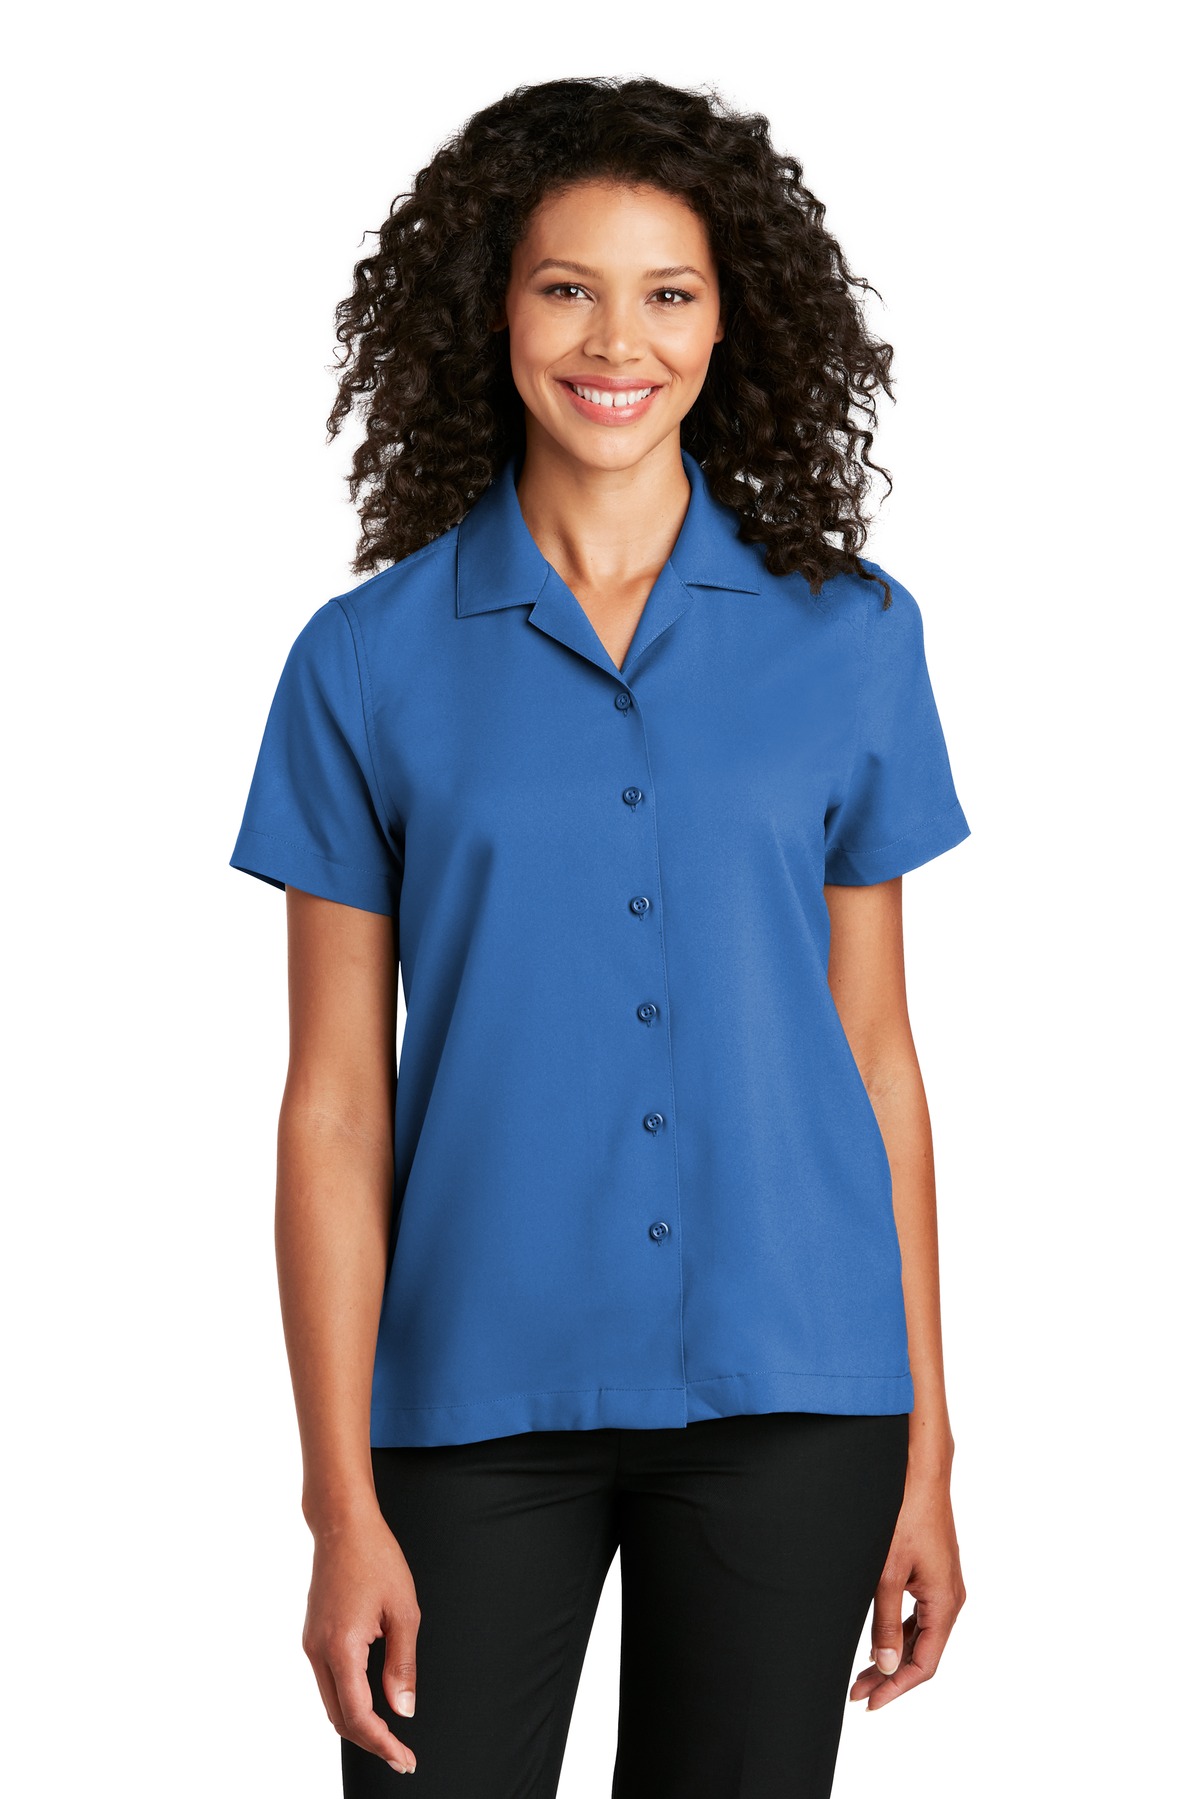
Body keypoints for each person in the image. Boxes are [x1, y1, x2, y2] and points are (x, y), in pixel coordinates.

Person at [229, 74, 970, 1798]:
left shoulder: (853, 637)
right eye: (566, 287)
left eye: (669, 292)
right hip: (469, 1402)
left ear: (730, 321)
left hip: (800, 1395)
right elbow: (333, 1105)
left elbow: (876, 1055)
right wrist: (339, 1501)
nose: (615, 341)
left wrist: (929, 1447)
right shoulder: (363, 661)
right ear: (491, 310)